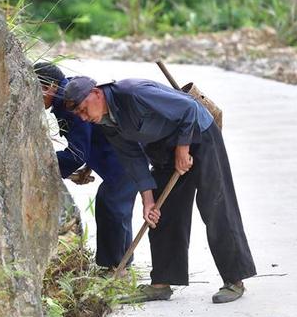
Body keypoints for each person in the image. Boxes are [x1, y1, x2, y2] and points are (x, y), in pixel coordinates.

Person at [63, 76, 256, 303]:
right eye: (80, 115)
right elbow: (133, 158)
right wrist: (148, 200)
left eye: (84, 110)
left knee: (216, 206)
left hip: (199, 136)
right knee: (162, 212)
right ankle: (162, 283)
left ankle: (234, 279)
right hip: (164, 149)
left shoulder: (133, 93)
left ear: (96, 93)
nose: (85, 118)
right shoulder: (107, 123)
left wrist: (183, 150)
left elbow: (189, 108)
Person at [33, 62, 138, 269]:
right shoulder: (71, 90)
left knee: (112, 206)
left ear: (50, 86)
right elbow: (92, 134)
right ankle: (121, 264)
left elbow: (76, 153)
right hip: (124, 155)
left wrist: (40, 163)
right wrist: (88, 167)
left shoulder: (69, 102)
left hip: (125, 159)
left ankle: (117, 268)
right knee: (116, 207)